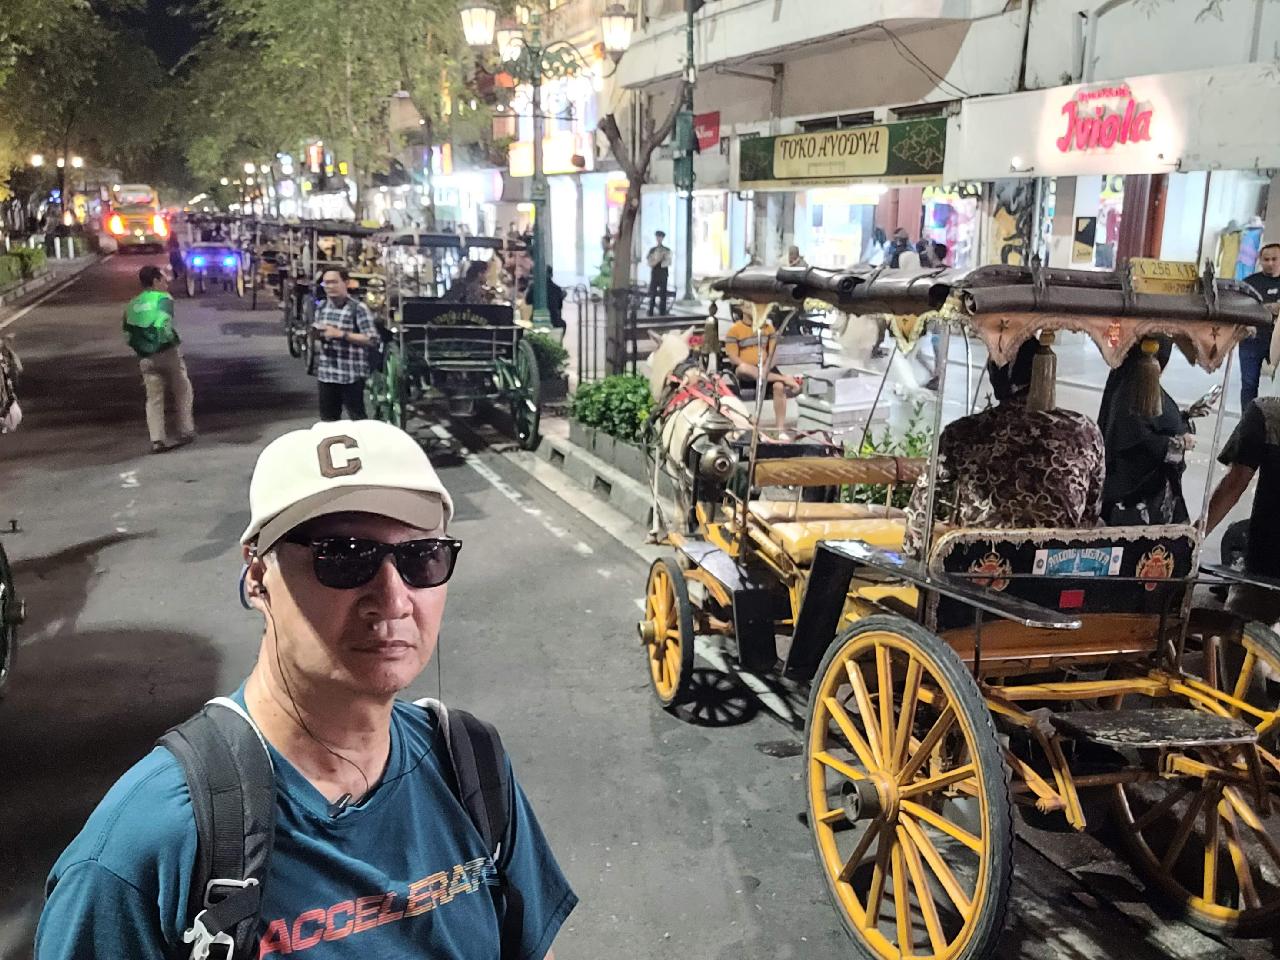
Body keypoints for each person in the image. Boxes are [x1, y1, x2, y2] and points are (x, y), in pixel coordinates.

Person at [37, 419, 577, 959]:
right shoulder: (149, 843)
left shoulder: (471, 769)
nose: (392, 599)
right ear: (256, 573)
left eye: (421, 557)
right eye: (343, 557)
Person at [903, 338, 1105, 557]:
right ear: (1045, 374)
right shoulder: (1084, 430)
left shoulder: (963, 432)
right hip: (1056, 564)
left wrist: (913, 566)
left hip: (981, 566)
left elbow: (922, 506)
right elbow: (1090, 515)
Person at [1098, 337, 1193, 525]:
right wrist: (1179, 443)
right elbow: (1138, 440)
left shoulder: (1121, 383)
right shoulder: (1129, 392)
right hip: (1137, 501)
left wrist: (1185, 417)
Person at [1208, 396, 1280, 621]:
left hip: (1266, 566)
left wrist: (1194, 538)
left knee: (1237, 631)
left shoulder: (1268, 413)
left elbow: (1234, 484)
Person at [123, 265, 195, 454]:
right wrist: (166, 341)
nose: (166, 283)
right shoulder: (164, 298)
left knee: (153, 398)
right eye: (163, 279)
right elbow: (164, 323)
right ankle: (186, 430)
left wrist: (143, 349)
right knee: (183, 389)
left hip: (145, 358)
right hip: (166, 353)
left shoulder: (132, 304)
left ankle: (157, 439)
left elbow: (128, 336)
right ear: (155, 281)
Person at [725, 304, 802, 435]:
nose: (753, 309)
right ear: (742, 308)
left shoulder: (767, 328)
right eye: (749, 306)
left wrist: (765, 368)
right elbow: (733, 358)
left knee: (779, 386)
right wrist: (751, 367)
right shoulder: (735, 330)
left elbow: (772, 354)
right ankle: (785, 379)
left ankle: (780, 430)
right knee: (743, 368)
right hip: (746, 372)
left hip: (767, 368)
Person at [313, 267, 378, 421]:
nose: (330, 286)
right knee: (328, 422)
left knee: (358, 421)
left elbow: (372, 339)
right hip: (326, 375)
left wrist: (341, 334)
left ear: (346, 283)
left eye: (334, 282)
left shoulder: (357, 309)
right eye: (326, 283)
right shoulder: (321, 308)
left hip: (351, 375)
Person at [1239, 242, 1280, 408]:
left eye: (1274, 259)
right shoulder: (1249, 283)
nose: (1270, 263)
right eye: (1266, 259)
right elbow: (1240, 309)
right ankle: (1247, 424)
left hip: (1276, 338)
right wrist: (1267, 308)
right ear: (1259, 260)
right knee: (1249, 384)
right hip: (1253, 339)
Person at [525, 266, 566, 333]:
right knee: (563, 324)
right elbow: (559, 306)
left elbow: (527, 301)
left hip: (536, 320)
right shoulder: (557, 289)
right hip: (554, 320)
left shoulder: (534, 287)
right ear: (551, 275)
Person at [646, 231, 672, 316]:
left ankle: (662, 312)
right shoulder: (652, 250)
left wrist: (657, 260)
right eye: (658, 236)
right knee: (652, 293)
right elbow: (650, 262)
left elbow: (667, 262)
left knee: (663, 294)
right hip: (655, 273)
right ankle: (650, 311)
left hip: (663, 274)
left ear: (663, 238)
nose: (659, 238)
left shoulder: (667, 250)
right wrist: (658, 259)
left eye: (660, 237)